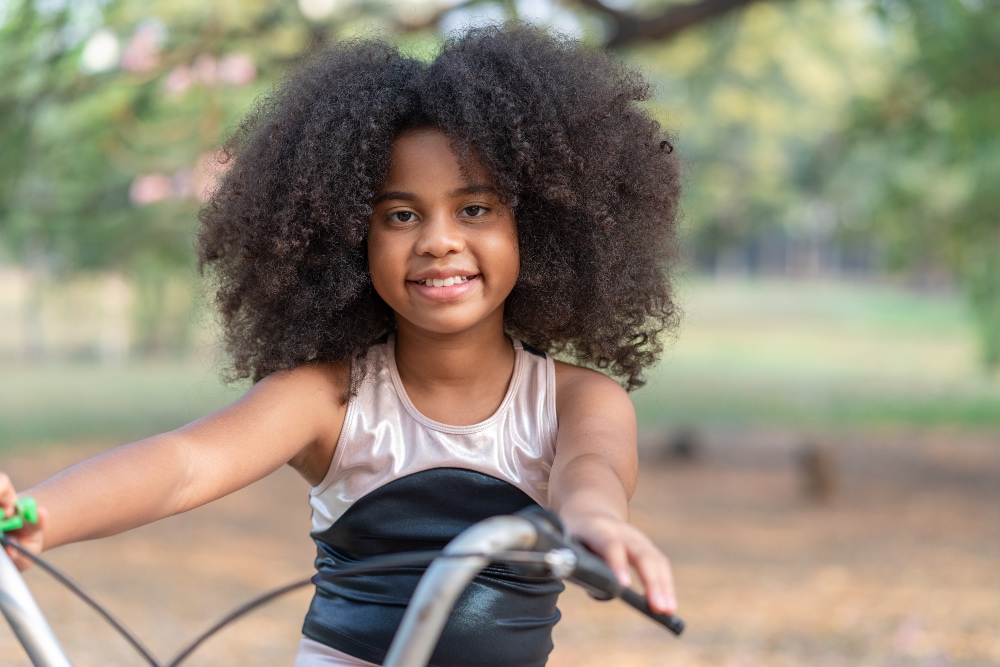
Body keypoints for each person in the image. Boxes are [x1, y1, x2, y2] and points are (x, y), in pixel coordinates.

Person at [0, 24, 682, 667]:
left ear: (538, 228)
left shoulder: (578, 401)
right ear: (350, 238)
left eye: (475, 209)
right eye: (400, 214)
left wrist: (595, 524)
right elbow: (185, 463)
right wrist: (38, 516)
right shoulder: (329, 399)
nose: (439, 239)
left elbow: (590, 474)